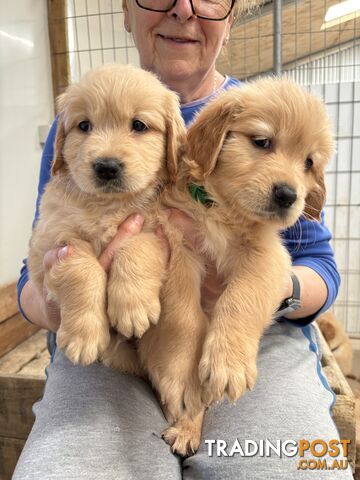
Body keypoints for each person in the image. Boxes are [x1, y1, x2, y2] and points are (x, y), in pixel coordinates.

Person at [14, 0, 351, 478]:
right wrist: (77, 302)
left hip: (260, 339)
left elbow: (317, 264)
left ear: (232, 17)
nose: (184, 10)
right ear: (126, 12)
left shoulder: (270, 111)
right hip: (110, 349)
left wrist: (264, 294)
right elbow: (39, 268)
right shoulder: (79, 117)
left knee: (285, 468)